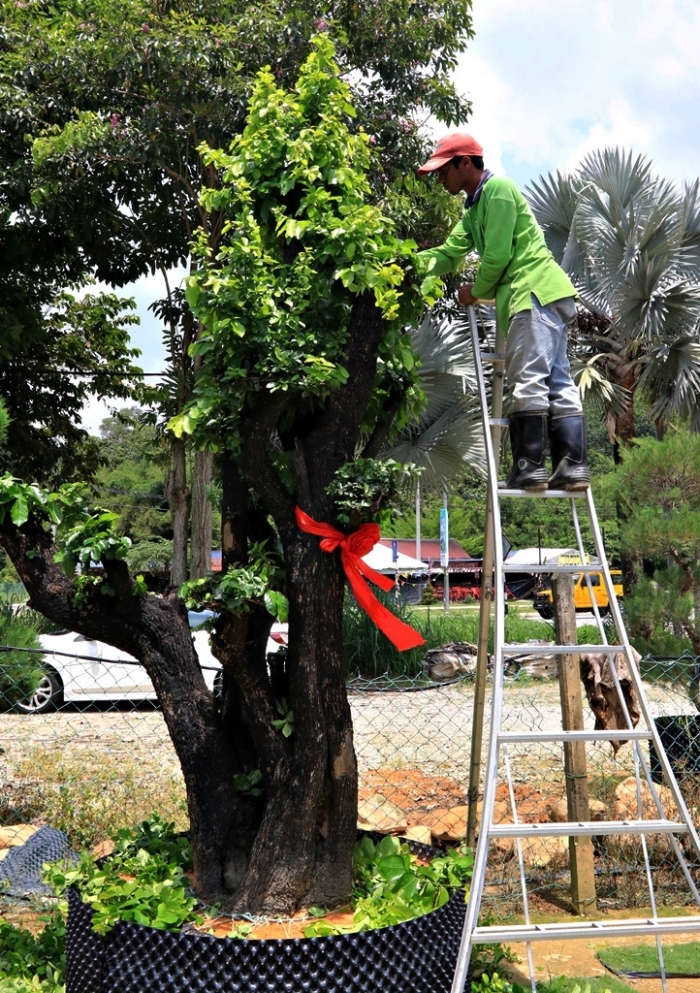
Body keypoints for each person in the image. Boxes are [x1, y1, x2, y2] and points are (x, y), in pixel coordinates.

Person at [417, 132, 589, 491]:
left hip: (533, 293)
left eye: (443, 170)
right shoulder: (474, 208)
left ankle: (529, 467)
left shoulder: (498, 190)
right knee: (557, 381)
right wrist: (408, 264)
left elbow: (496, 258)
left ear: (465, 162)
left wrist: (475, 293)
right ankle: (571, 467)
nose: (439, 178)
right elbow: (449, 254)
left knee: (528, 379)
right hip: (545, 295)